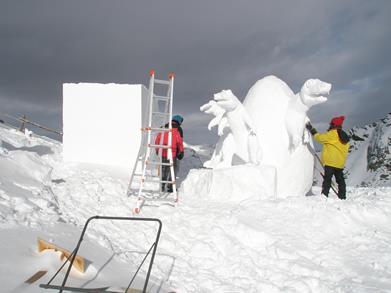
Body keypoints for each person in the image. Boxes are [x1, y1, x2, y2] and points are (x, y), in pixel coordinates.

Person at [306, 116, 350, 199]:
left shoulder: (332, 134)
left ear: (333, 125)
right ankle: (342, 196)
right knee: (340, 181)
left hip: (330, 162)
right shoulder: (345, 137)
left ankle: (324, 196)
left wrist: (311, 129)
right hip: (340, 163)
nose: (330, 125)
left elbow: (320, 138)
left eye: (331, 124)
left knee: (327, 180)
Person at [155, 115, 184, 192]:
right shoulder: (178, 129)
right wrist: (181, 151)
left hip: (162, 151)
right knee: (173, 169)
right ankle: (170, 187)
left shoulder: (163, 127)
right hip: (172, 152)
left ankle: (162, 185)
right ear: (179, 121)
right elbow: (179, 141)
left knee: (163, 168)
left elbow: (158, 139)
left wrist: (157, 149)